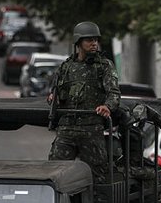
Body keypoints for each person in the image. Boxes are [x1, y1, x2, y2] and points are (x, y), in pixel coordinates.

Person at [48, 21, 121, 183]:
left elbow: (114, 93)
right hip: (66, 128)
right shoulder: (65, 67)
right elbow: (55, 92)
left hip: (91, 128)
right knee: (54, 173)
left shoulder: (104, 66)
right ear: (79, 43)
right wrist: (53, 98)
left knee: (98, 178)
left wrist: (107, 106)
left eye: (96, 40)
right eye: (89, 40)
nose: (94, 44)